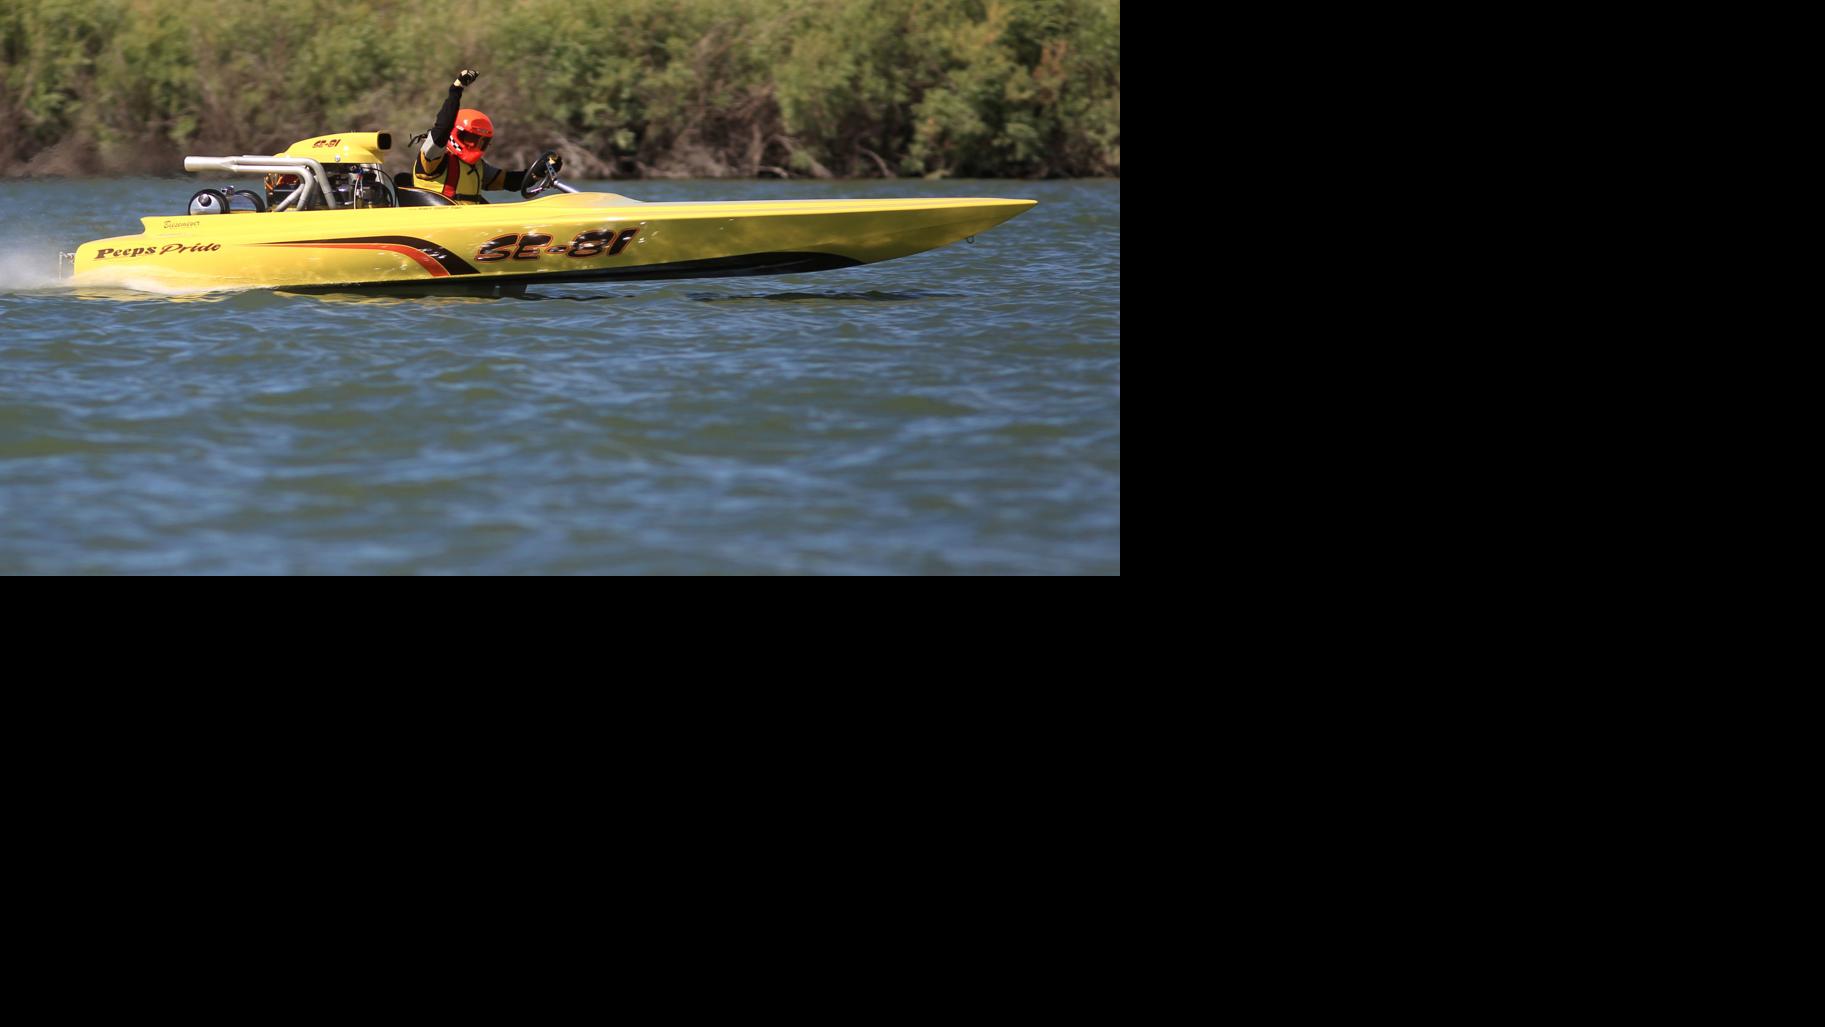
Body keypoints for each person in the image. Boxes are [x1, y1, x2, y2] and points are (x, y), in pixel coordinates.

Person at [410, 69, 560, 203]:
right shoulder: (432, 159)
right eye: (471, 139)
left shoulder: (477, 167)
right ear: (455, 133)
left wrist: (540, 171)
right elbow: (442, 128)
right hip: (440, 226)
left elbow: (512, 182)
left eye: (482, 142)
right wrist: (456, 90)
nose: (476, 145)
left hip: (470, 227)